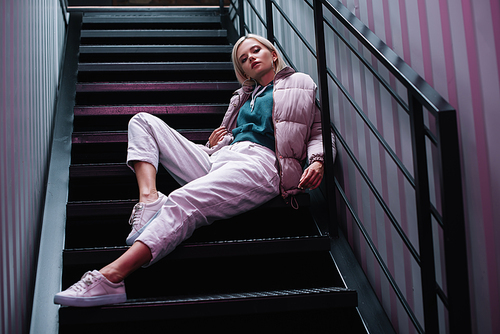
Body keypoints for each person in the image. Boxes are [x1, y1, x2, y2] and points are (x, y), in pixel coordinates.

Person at [54, 34, 334, 307]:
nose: (250, 59)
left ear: (272, 54)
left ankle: (110, 277)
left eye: (255, 51)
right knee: (143, 121)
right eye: (244, 58)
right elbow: (237, 133)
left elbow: (319, 131)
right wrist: (219, 141)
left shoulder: (300, 83)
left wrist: (318, 161)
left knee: (183, 199)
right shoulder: (242, 96)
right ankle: (150, 199)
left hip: (261, 164)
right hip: (221, 157)